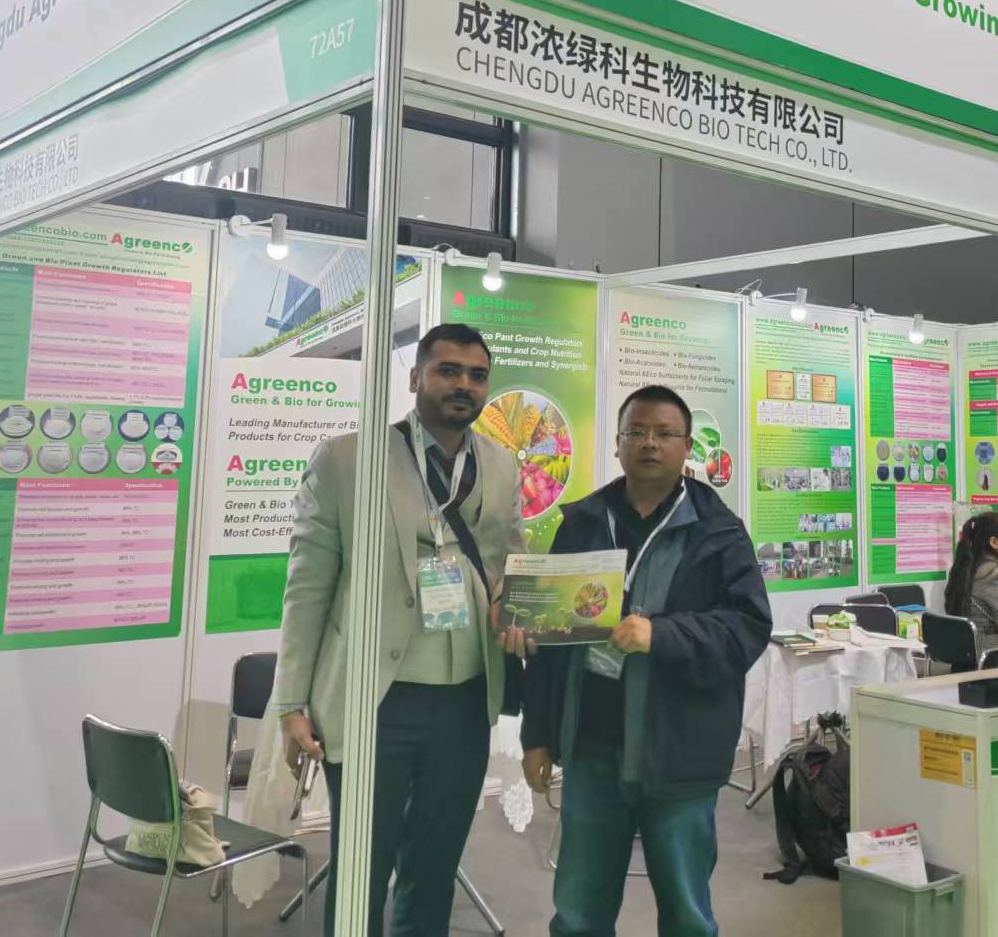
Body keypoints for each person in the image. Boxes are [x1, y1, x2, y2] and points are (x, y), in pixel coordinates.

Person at [272, 324, 526, 937]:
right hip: (374, 700)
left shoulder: (500, 465)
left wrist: (514, 605)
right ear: (415, 378)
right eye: (448, 370)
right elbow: (307, 590)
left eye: (477, 375)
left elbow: (509, 563)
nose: (463, 385)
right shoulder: (346, 460)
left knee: (434, 866)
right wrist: (290, 702)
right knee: (362, 866)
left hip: (465, 700)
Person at [516, 385, 771, 937]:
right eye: (636, 432)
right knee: (578, 914)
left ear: (686, 447)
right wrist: (537, 734)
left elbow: (748, 626)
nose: (649, 443)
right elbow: (553, 643)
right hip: (592, 751)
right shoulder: (583, 523)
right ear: (617, 444)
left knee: (686, 915)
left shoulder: (720, 532)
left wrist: (664, 635)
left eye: (664, 433)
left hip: (680, 754)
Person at [942, 510, 998, 664]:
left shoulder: (966, 568)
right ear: (994, 542)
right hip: (987, 663)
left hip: (963, 660)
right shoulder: (996, 576)